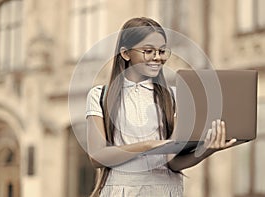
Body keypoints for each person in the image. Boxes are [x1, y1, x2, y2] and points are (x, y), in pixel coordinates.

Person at [86, 17, 236, 197]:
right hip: (122, 191)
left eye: (162, 51)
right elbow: (97, 156)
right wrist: (149, 145)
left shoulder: (173, 96)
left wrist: (207, 150)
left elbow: (172, 163)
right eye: (148, 51)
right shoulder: (100, 95)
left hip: (166, 190)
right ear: (126, 54)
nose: (158, 58)